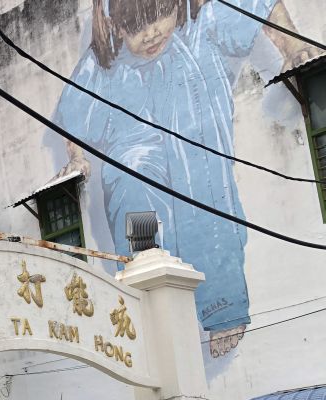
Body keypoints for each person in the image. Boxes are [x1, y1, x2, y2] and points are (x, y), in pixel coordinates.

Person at [54, 0, 314, 357]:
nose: (152, 33)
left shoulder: (201, 26)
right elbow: (74, 110)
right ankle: (150, 299)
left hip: (198, 155)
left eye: (160, 16)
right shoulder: (106, 63)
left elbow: (260, 5)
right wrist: (76, 156)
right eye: (136, 27)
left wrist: (294, 47)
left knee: (207, 208)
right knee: (131, 189)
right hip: (138, 160)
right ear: (116, 27)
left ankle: (223, 309)